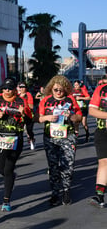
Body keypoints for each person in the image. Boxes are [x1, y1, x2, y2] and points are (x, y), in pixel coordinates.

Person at [0, 77, 32, 212]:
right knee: (1, 168)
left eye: (10, 88)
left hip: (16, 138)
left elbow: (30, 119)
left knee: (8, 169)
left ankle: (6, 200)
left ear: (14, 89)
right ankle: (10, 177)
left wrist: (24, 113)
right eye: (5, 88)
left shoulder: (20, 101)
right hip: (0, 137)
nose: (7, 91)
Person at [38, 76, 82, 206]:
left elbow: (79, 117)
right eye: (55, 89)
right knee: (53, 166)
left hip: (68, 136)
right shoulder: (45, 101)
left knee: (68, 165)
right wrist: (47, 117)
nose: (58, 92)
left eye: (61, 90)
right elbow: (38, 118)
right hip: (50, 137)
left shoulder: (71, 100)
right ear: (51, 89)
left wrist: (72, 116)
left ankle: (66, 191)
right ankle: (55, 193)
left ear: (66, 90)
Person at [88, 81, 107, 207]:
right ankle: (99, 196)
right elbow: (92, 111)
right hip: (103, 132)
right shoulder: (101, 90)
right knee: (104, 162)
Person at [17, 82, 35, 150]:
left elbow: (31, 106)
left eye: (23, 87)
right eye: (20, 87)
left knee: (29, 130)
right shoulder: (17, 95)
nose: (21, 89)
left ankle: (31, 140)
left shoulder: (28, 95)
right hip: (19, 115)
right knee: (19, 130)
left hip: (28, 115)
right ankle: (19, 144)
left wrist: (24, 107)